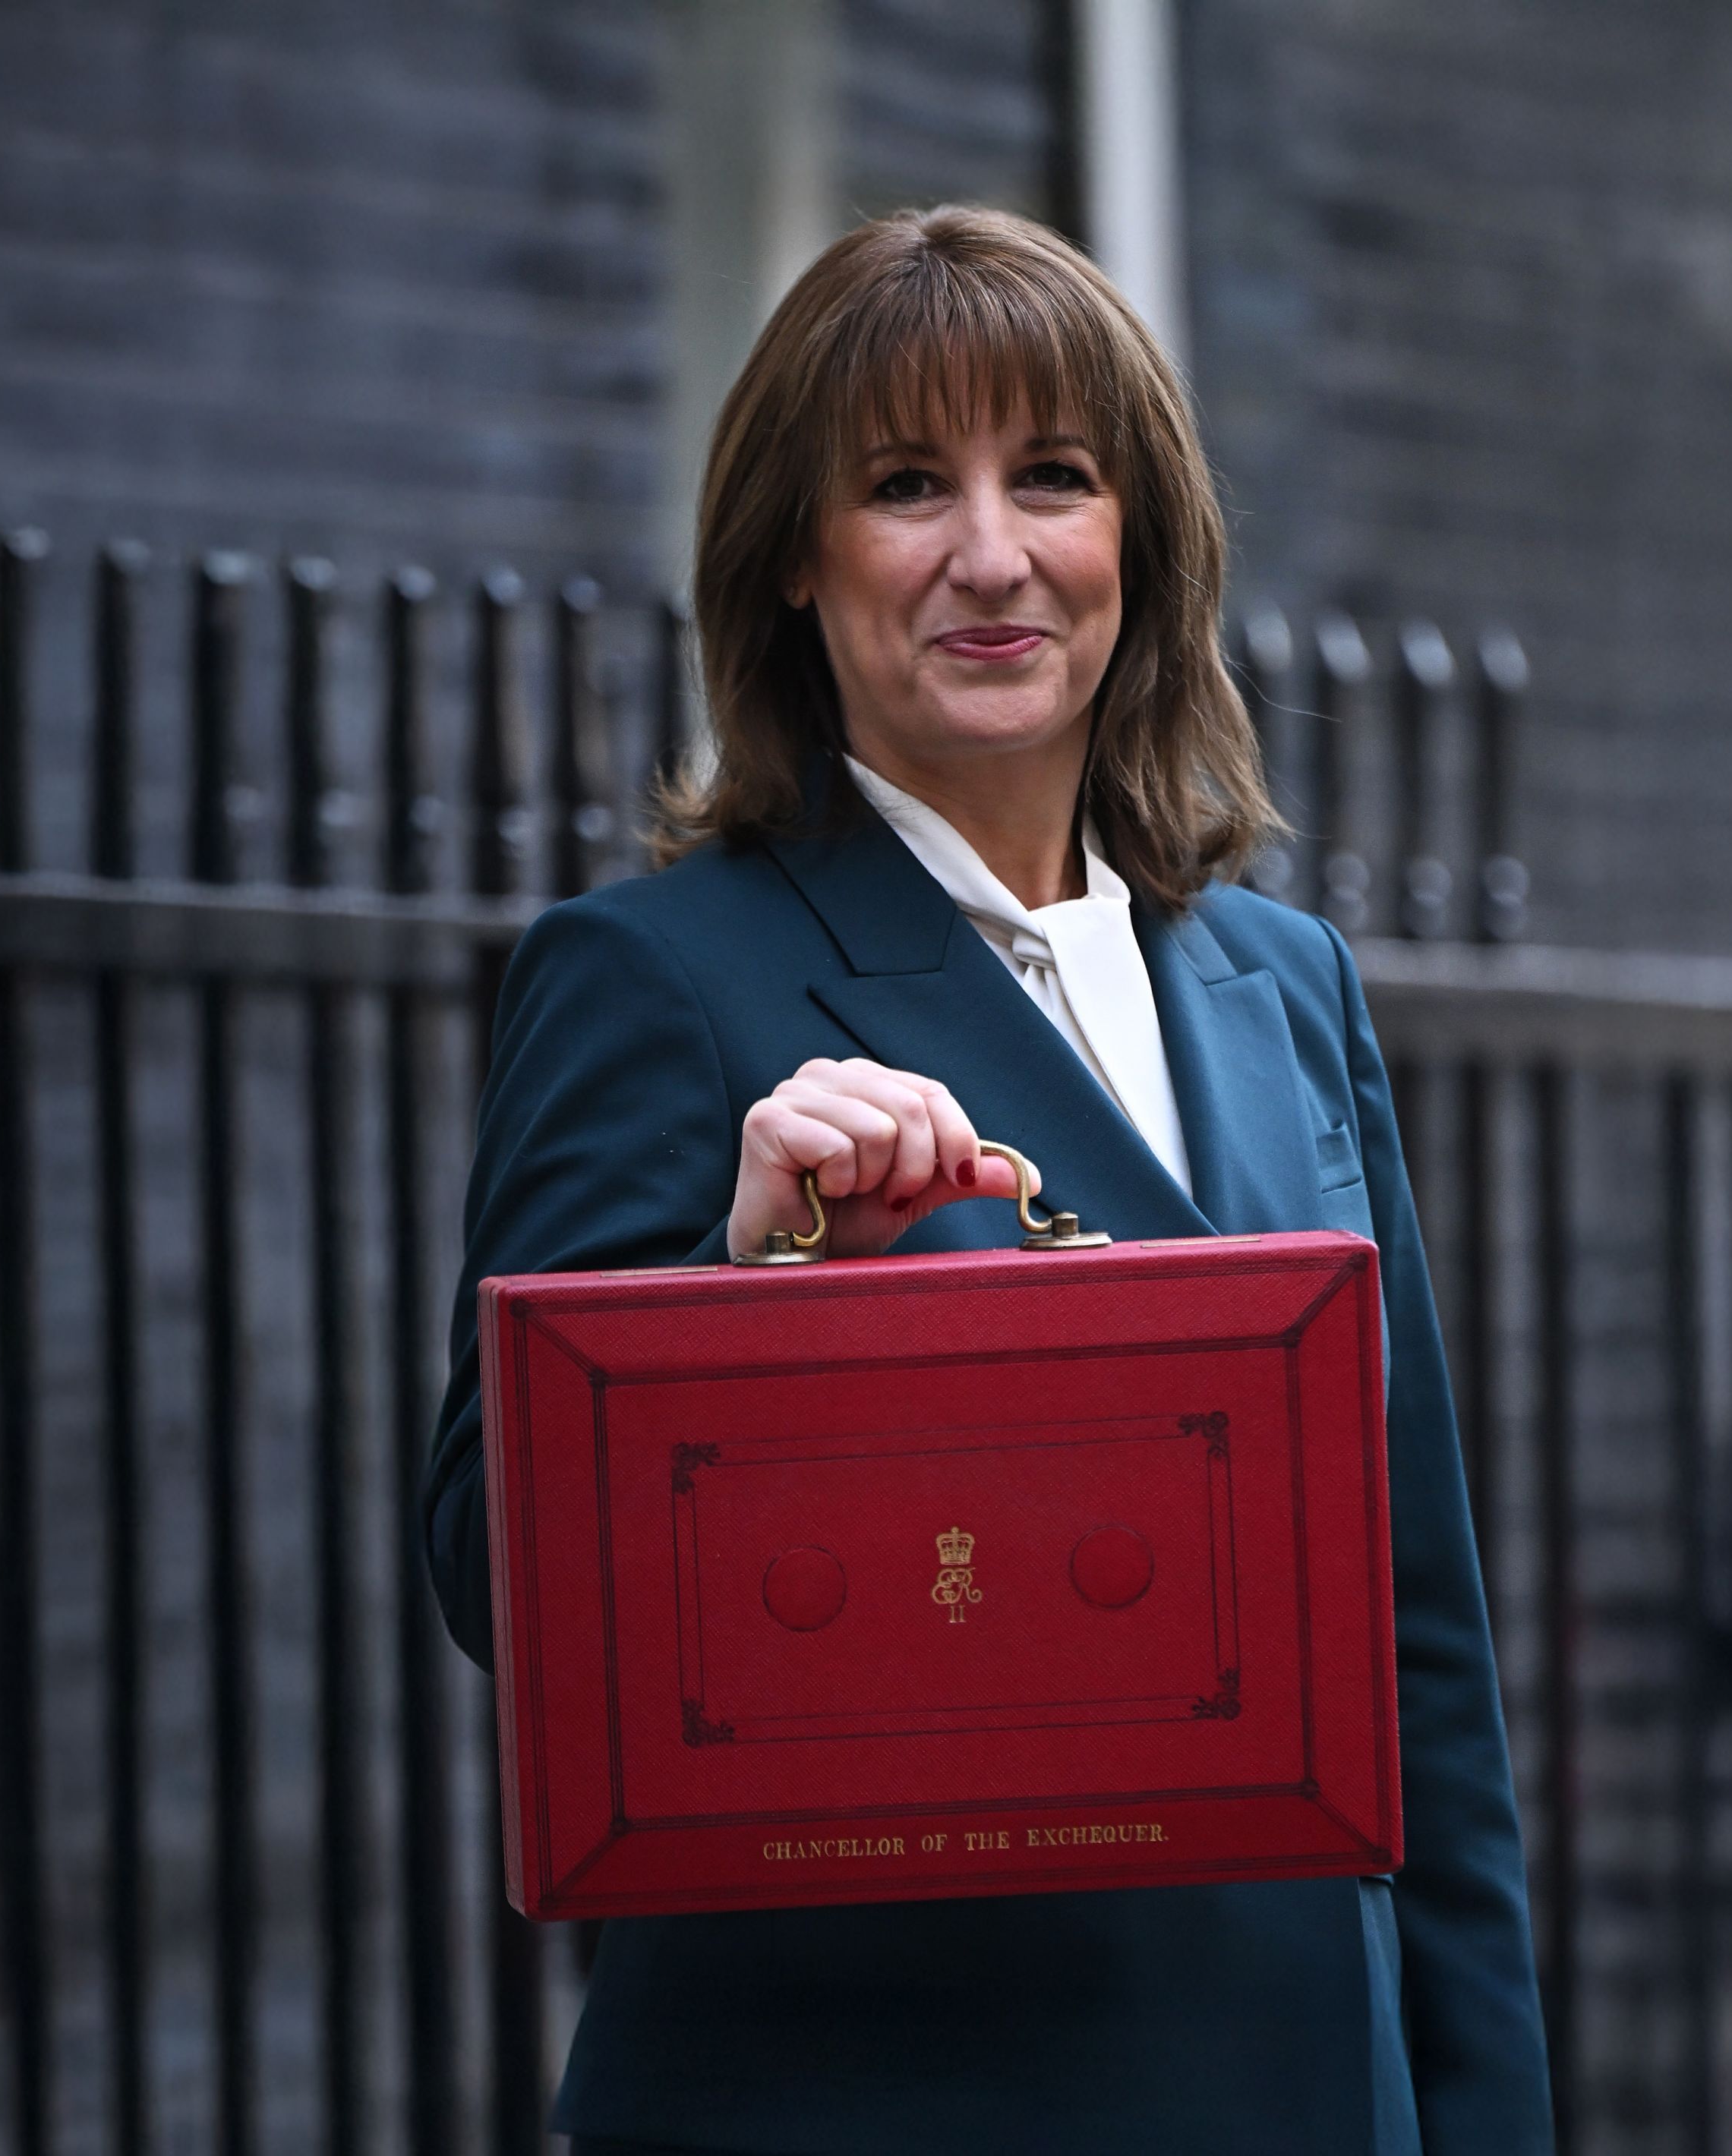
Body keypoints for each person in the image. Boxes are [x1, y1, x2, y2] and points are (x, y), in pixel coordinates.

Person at [423, 205, 1550, 2154]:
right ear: (793, 557)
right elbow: (486, 1578)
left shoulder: (1282, 983)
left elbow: (1415, 1643)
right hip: (882, 2092)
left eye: (1050, 476)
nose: (988, 553)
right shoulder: (652, 976)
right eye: (899, 486)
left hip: (1310, 2084)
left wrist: (1480, 2111)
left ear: (1138, 538)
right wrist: (740, 1281)